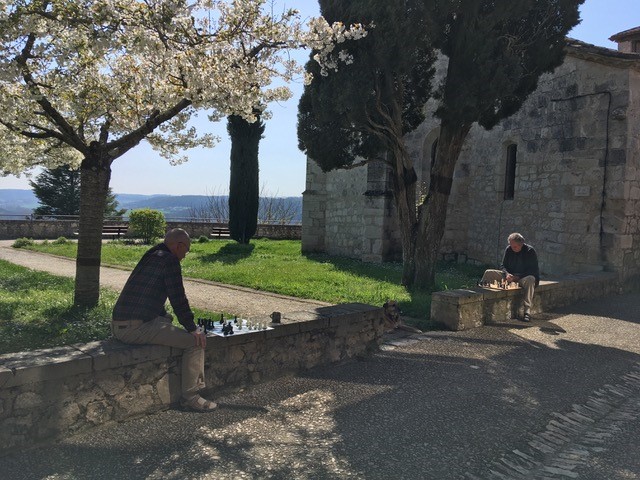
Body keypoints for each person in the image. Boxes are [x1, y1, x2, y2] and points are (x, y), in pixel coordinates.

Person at [111, 228, 216, 412]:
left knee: (167, 319)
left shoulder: (153, 254)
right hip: (134, 329)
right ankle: (190, 398)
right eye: (186, 250)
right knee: (195, 343)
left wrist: (165, 318)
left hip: (119, 324)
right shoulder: (170, 261)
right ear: (179, 245)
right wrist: (193, 328)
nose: (184, 256)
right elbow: (178, 298)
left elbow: (149, 291)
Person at [481, 232, 539, 322]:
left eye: (514, 247)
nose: (512, 248)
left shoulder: (530, 251)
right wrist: (507, 274)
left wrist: (518, 277)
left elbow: (533, 270)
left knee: (531, 279)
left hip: (523, 277)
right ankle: (480, 298)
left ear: (521, 244)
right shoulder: (509, 249)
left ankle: (527, 310)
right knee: (489, 272)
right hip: (509, 276)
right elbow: (502, 266)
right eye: (511, 245)